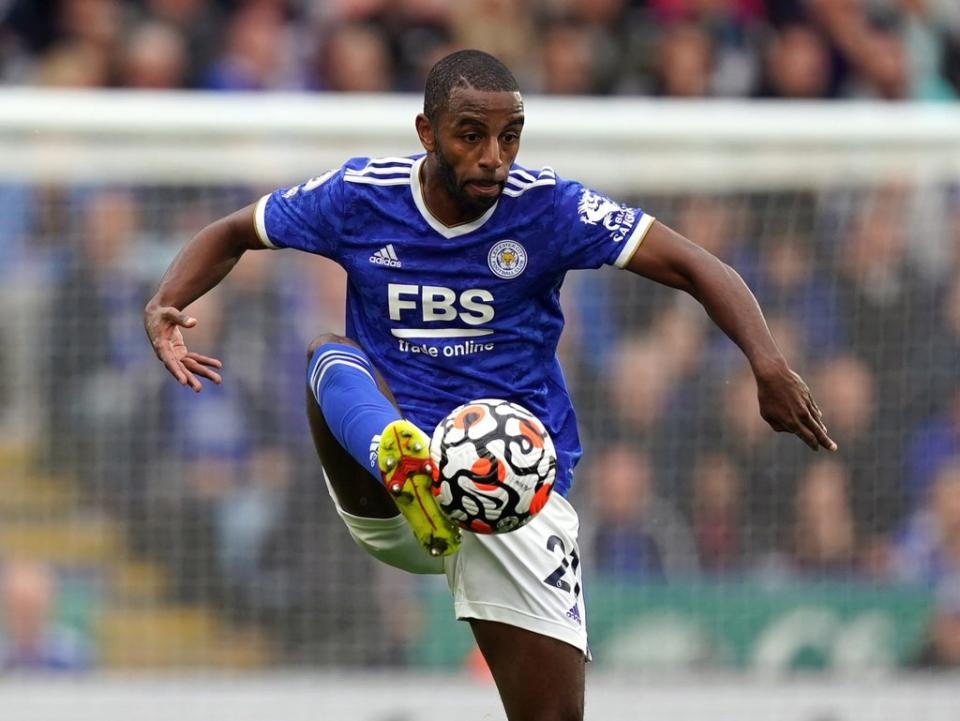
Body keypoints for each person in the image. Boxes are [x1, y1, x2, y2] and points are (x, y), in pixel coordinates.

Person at [144, 49, 836, 721]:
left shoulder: (549, 208)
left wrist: (767, 362)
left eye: (509, 137)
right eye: (471, 136)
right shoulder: (361, 195)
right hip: (398, 490)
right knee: (330, 351)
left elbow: (690, 262)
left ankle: (430, 466)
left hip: (517, 490)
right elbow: (235, 230)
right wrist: (166, 302)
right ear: (427, 132)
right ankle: (400, 449)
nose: (493, 156)